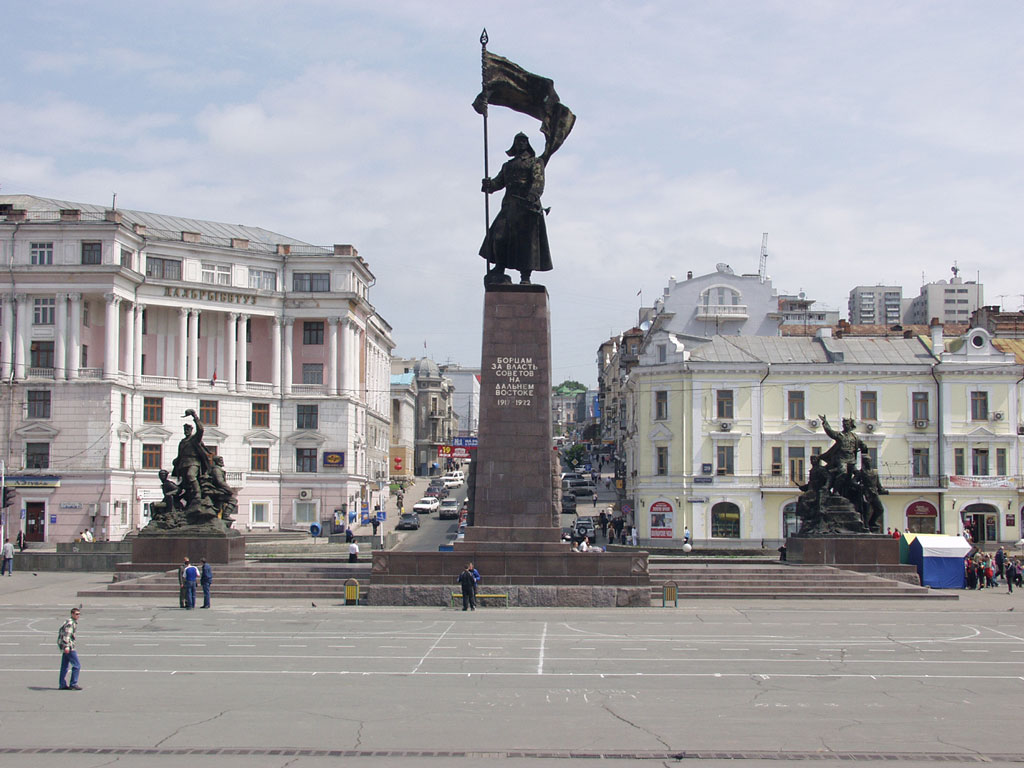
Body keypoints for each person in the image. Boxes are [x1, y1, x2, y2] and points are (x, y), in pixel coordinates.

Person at [479, 132, 552, 286]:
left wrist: (532, 196)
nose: (520, 144)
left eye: (523, 141)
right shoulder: (508, 165)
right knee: (498, 237)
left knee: (526, 243)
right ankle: (500, 267)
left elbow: (538, 182)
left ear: (528, 144)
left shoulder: (535, 162)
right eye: (518, 141)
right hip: (509, 207)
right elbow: (498, 183)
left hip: (527, 208)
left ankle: (525, 276)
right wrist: (488, 184)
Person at [171, 409, 210, 505]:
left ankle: (198, 494)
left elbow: (201, 429)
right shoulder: (182, 442)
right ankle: (189, 499)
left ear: (191, 430)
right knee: (185, 484)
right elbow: (180, 455)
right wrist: (176, 461)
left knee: (191, 475)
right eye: (185, 430)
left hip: (194, 462)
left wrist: (195, 416)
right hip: (183, 464)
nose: (186, 431)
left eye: (188, 430)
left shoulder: (195, 439)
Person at [58, 607, 83, 690]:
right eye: (76, 614)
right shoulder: (71, 623)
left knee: (64, 666)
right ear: (72, 614)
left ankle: (62, 684)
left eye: (79, 614)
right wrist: (67, 646)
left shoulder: (70, 621)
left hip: (65, 646)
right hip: (69, 647)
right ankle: (73, 683)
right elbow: (66, 635)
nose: (78, 616)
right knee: (77, 665)